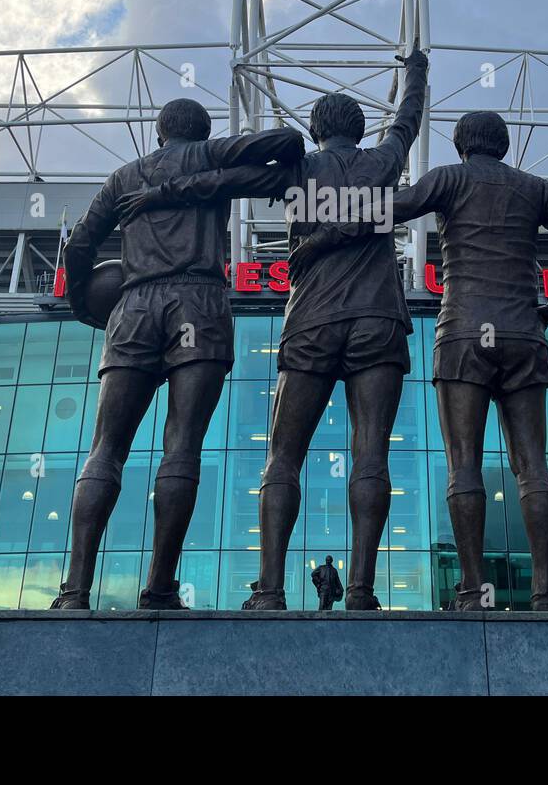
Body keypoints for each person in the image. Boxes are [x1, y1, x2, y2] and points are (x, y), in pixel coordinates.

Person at [119, 47, 428, 610]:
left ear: (314, 129)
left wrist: (158, 192)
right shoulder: (384, 162)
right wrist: (416, 70)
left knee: (283, 457)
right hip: (378, 322)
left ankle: (270, 590)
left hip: (310, 320)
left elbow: (221, 181)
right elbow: (409, 117)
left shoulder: (298, 170)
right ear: (361, 131)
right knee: (371, 456)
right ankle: (359, 590)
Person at [292, 110, 548, 610]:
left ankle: (472, 592)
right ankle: (545, 593)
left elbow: (384, 211)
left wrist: (321, 238)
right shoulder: (536, 188)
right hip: (524, 332)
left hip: (463, 332)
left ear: (460, 144)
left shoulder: (449, 178)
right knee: (533, 468)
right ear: (503, 145)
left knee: (465, 467)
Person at [52, 99, 304, 610]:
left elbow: (78, 246)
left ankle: (76, 591)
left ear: (160, 133)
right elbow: (289, 144)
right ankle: (160, 587)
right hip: (199, 303)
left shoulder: (124, 177)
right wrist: (225, 171)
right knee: (182, 447)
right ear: (202, 131)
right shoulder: (210, 156)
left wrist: (83, 304)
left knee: (105, 449)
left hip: (134, 306)